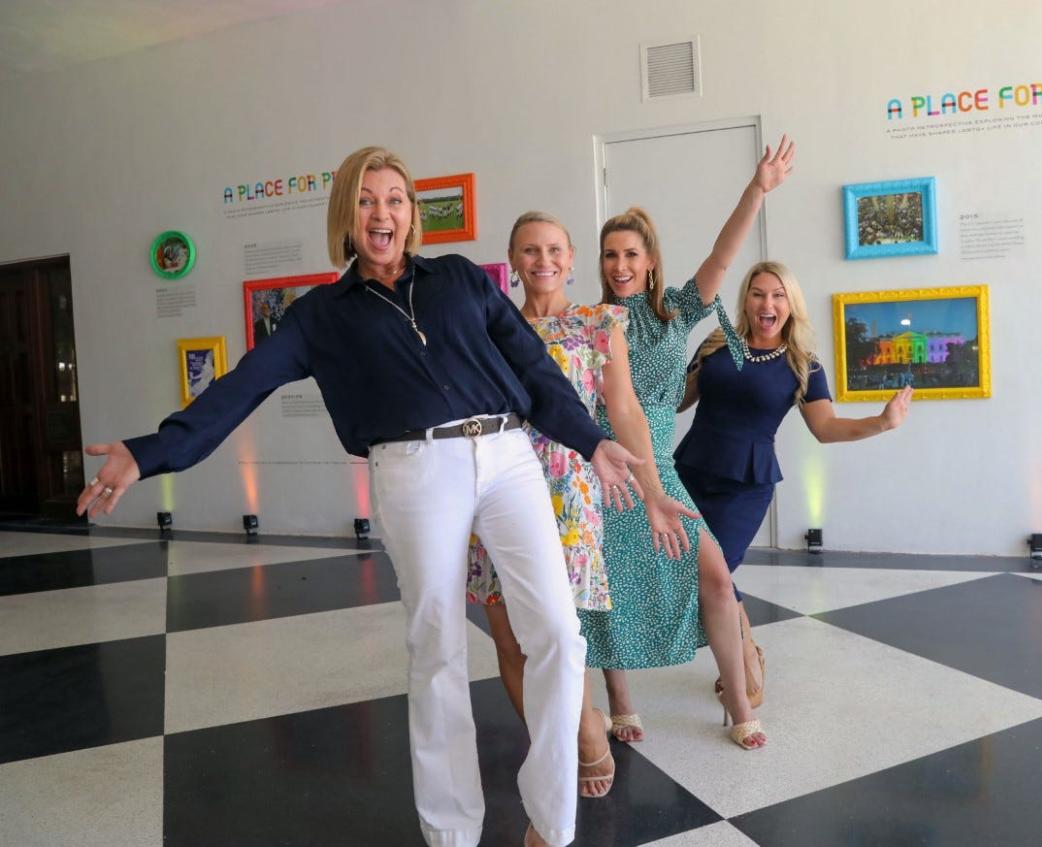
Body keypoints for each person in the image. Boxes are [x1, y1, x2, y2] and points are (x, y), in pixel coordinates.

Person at [75, 146, 644, 847]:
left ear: (413, 212)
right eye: (368, 200)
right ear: (347, 216)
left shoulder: (462, 278)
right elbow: (239, 388)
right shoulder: (320, 315)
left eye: (397, 198)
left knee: (559, 631)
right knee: (436, 647)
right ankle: (452, 832)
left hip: (506, 454)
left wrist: (591, 439)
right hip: (413, 466)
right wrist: (150, 451)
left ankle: (552, 823)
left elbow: (532, 367)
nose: (384, 212)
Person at [466, 211, 696, 798]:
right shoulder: (488, 328)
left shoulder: (598, 324)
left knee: (559, 632)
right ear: (514, 262)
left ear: (571, 259)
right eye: (529, 251)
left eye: (553, 250)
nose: (542, 261)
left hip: (568, 490)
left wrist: (654, 494)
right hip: (494, 488)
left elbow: (625, 412)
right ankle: (554, 742)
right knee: (508, 635)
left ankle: (586, 729)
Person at [580, 135, 795, 751]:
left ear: (649, 261)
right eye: (609, 256)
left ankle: (737, 704)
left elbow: (723, 259)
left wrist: (756, 190)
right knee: (606, 591)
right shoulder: (592, 322)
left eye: (629, 255)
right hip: (607, 469)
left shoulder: (675, 311)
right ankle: (620, 699)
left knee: (717, 580)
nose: (619, 266)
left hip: (663, 470)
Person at [676, 261, 913, 705]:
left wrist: (881, 422)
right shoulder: (714, 344)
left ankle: (745, 661)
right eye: (759, 293)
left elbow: (825, 428)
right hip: (691, 470)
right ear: (745, 298)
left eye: (778, 295)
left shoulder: (801, 363)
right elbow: (676, 402)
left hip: (746, 481)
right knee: (694, 574)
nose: (767, 303)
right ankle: (746, 653)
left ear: (790, 304)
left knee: (717, 576)